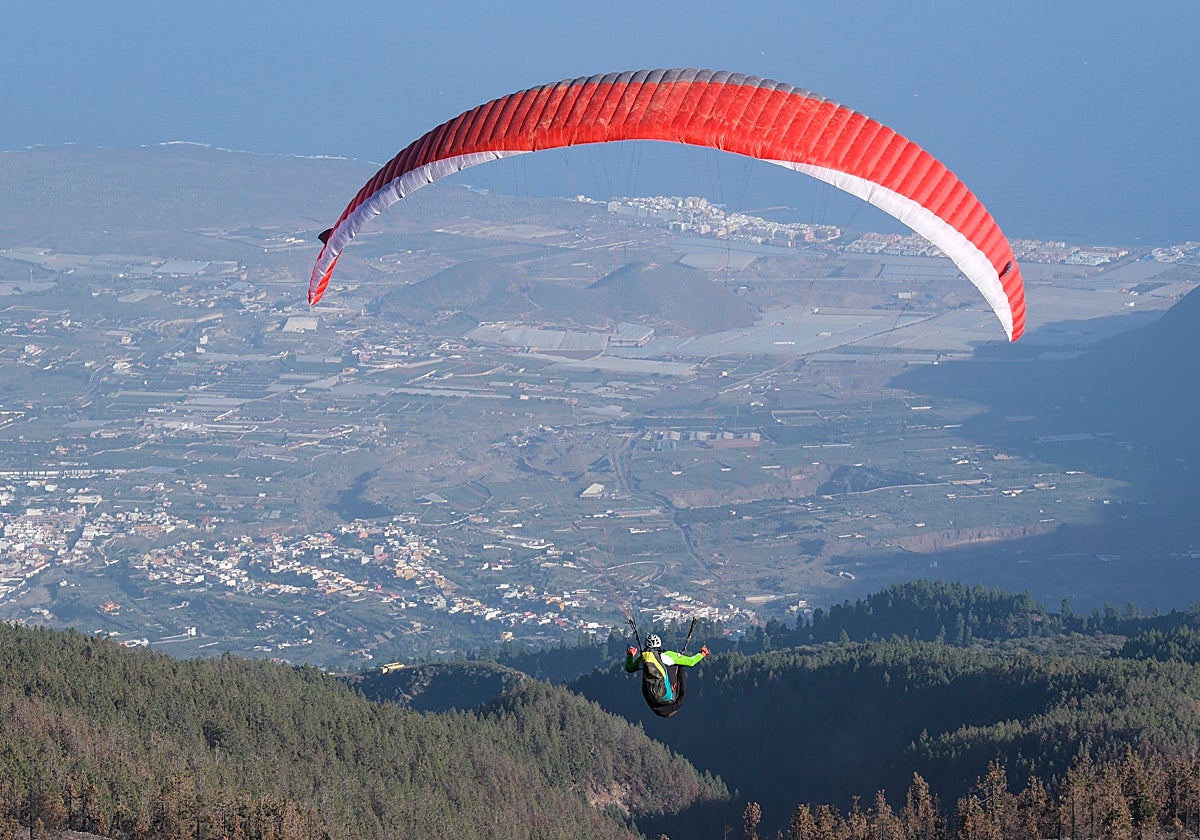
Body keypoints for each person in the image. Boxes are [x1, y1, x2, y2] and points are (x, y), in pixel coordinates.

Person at [625, 633, 709, 718]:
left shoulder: (643, 659)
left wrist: (630, 655)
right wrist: (702, 654)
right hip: (669, 697)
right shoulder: (668, 655)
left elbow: (629, 668)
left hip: (653, 699)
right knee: (678, 666)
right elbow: (691, 662)